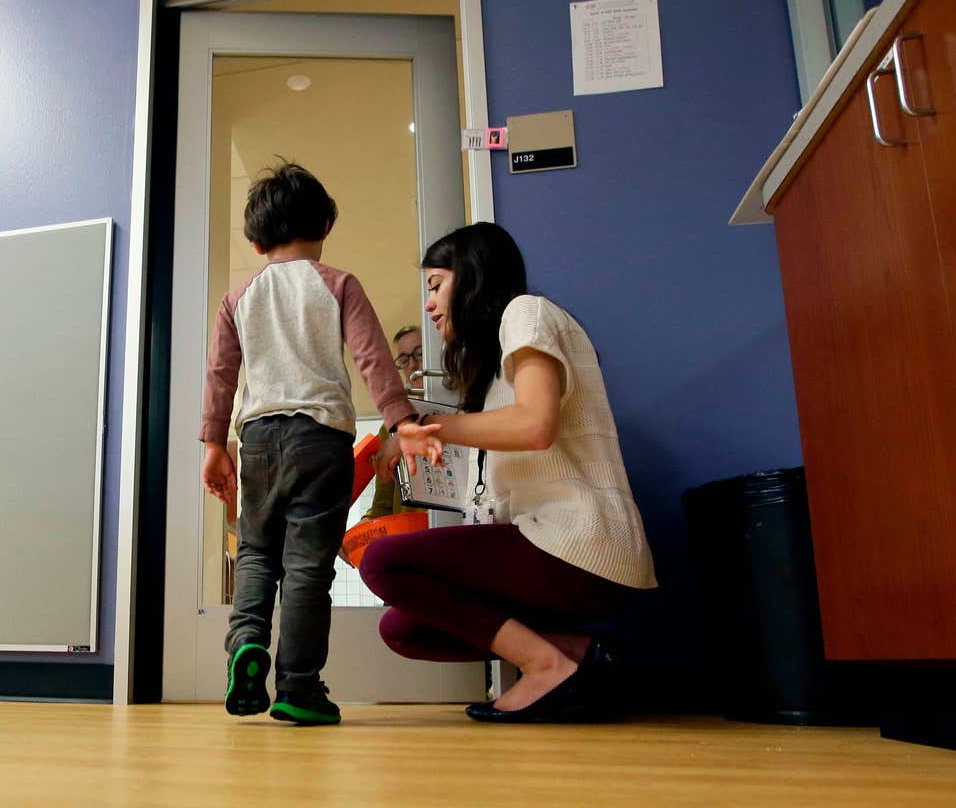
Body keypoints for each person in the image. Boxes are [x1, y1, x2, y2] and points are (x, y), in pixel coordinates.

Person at [361, 222, 656, 723]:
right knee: (403, 629)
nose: (429, 304)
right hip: (545, 546)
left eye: (435, 286)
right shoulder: (492, 368)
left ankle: (544, 666)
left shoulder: (526, 312)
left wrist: (432, 424)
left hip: (581, 543)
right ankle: (579, 654)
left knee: (383, 561)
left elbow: (536, 425)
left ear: (472, 276)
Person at [199, 162, 437, 726]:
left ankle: (247, 641)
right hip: (322, 437)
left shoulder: (240, 297)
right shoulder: (337, 283)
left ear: (255, 241)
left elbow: (219, 376)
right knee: (307, 567)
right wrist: (400, 422)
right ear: (325, 224)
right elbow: (374, 358)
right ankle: (298, 687)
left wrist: (214, 443)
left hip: (256, 437)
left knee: (256, 550)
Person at [357, 325, 426, 522]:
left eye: (419, 354)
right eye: (404, 360)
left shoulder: (458, 409)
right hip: (404, 534)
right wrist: (363, 527)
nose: (412, 365)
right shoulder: (390, 427)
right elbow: (382, 503)